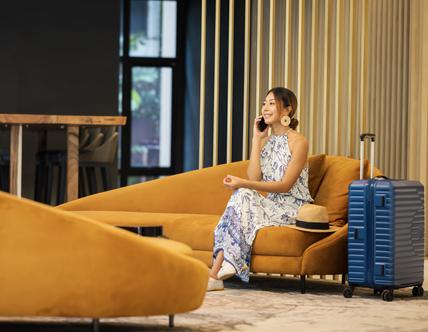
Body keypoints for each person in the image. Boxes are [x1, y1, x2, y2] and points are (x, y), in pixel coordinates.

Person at [207, 87, 314, 291]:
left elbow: (285, 186)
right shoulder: (269, 143)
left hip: (293, 208)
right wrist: (257, 139)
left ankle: (218, 269)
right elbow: (254, 176)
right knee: (243, 195)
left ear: (287, 110)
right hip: (271, 205)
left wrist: (242, 183)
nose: (265, 108)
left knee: (244, 192)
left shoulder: (299, 142)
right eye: (264, 103)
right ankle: (225, 264)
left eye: (272, 103)